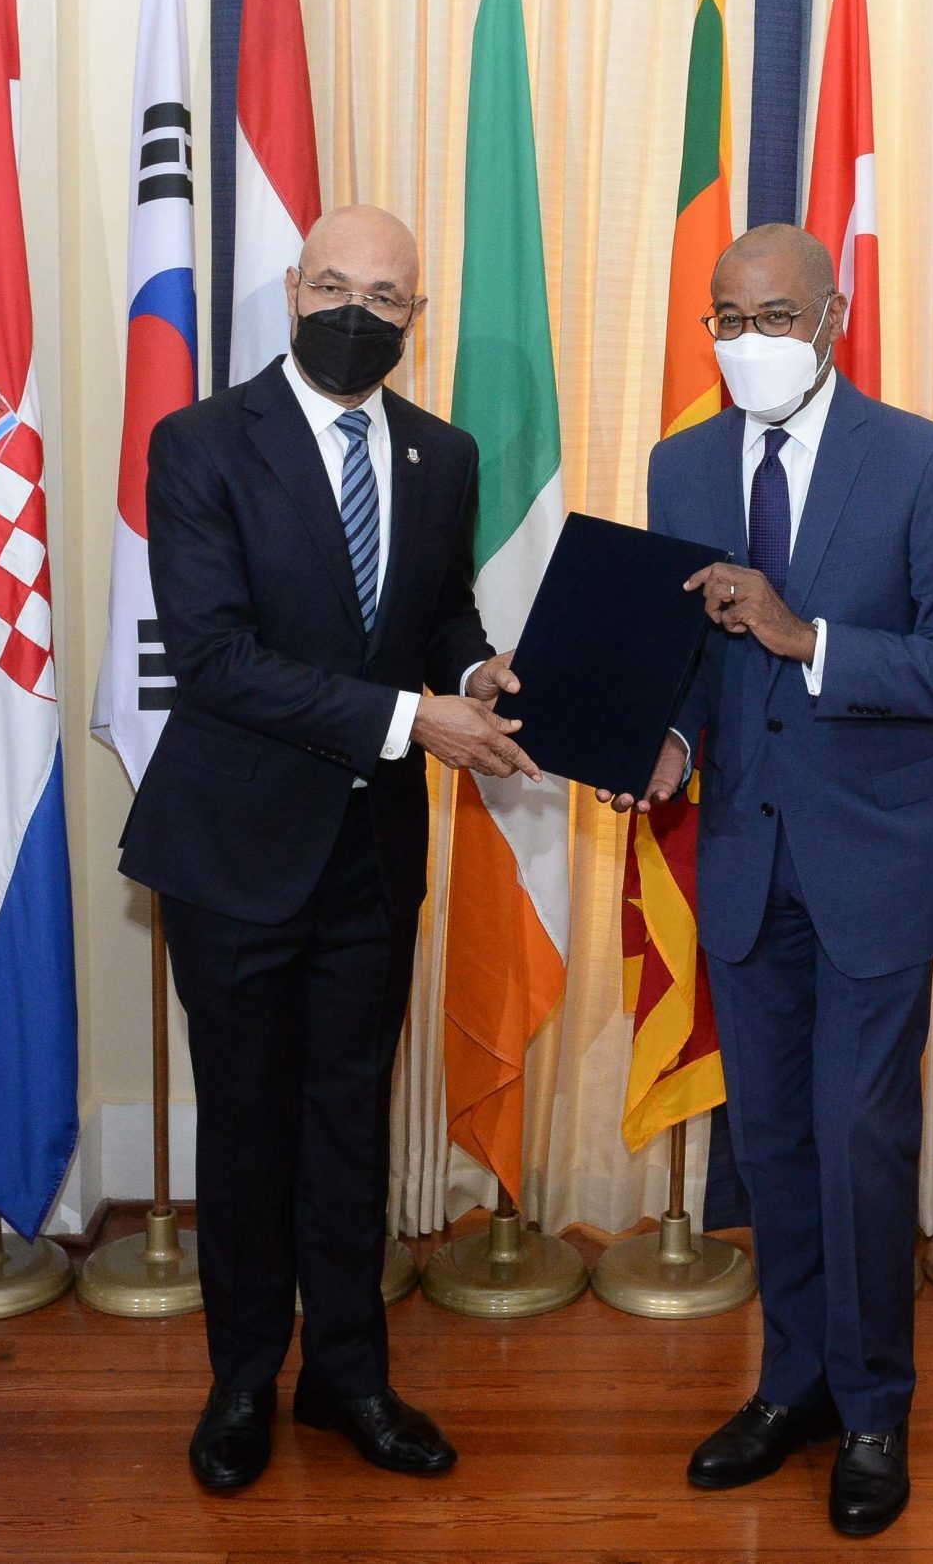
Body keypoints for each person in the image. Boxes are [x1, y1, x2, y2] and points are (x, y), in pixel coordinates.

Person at [600, 223, 933, 1537]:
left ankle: (877, 1405)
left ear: (832, 317)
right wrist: (657, 746)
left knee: (858, 1142)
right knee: (772, 1144)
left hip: (878, 874)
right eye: (728, 319)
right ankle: (794, 1387)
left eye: (776, 315)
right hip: (742, 866)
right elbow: (688, 667)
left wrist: (807, 635)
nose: (751, 342)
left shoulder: (918, 462)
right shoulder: (679, 466)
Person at [122, 204, 537, 1492]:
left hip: (369, 854)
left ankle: (349, 1378)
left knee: (349, 1126)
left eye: (390, 297)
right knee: (248, 1129)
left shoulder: (444, 454)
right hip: (235, 852)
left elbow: (435, 615)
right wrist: (426, 716)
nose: (360, 312)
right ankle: (243, 1382)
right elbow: (217, 661)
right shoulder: (197, 444)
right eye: (337, 286)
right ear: (294, 289)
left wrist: (478, 666)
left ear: (418, 317)